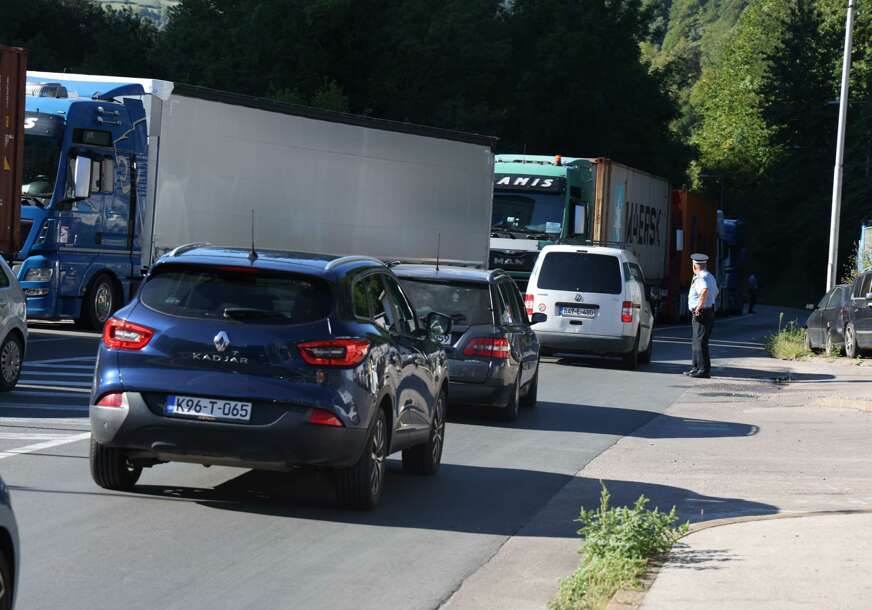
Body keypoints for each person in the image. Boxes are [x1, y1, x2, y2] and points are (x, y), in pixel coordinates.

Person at [684, 253, 718, 379]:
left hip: (701, 312)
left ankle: (703, 369)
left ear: (695, 266)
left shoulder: (700, 278)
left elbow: (704, 290)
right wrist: (708, 304)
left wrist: (699, 306)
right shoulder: (711, 277)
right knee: (697, 341)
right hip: (708, 311)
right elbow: (716, 292)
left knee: (700, 342)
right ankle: (696, 367)